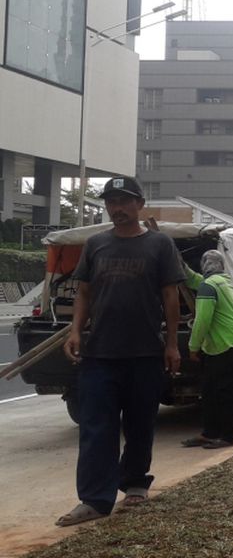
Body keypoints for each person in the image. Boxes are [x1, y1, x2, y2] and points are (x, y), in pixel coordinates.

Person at [56, 176, 184, 527]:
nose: (117, 208)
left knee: (140, 424)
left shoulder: (159, 245)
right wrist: (75, 331)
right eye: (111, 202)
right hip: (100, 353)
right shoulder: (96, 244)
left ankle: (135, 485)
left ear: (140, 204)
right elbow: (83, 291)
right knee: (97, 427)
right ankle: (95, 499)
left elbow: (171, 295)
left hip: (144, 352)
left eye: (124, 201)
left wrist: (172, 344)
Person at [180, 250, 233, 450]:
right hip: (229, 344)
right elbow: (195, 280)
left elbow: (202, 321)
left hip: (227, 345)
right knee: (209, 391)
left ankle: (228, 436)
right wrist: (183, 267)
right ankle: (209, 433)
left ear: (204, 265)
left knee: (224, 393)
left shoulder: (209, 286)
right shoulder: (222, 281)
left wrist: (193, 347)